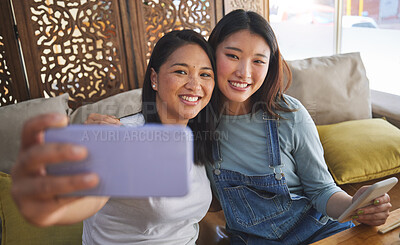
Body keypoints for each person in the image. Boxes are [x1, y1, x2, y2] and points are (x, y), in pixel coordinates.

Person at [11, 29, 217, 244]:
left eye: (205, 74)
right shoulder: (123, 137)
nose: (195, 85)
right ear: (154, 79)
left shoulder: (198, 138)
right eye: (181, 72)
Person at [204, 9, 391, 244]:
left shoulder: (290, 114)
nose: (244, 72)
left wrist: (354, 205)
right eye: (232, 56)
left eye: (258, 61)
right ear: (212, 54)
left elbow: (322, 190)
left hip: (318, 231)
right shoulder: (197, 119)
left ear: (270, 65)